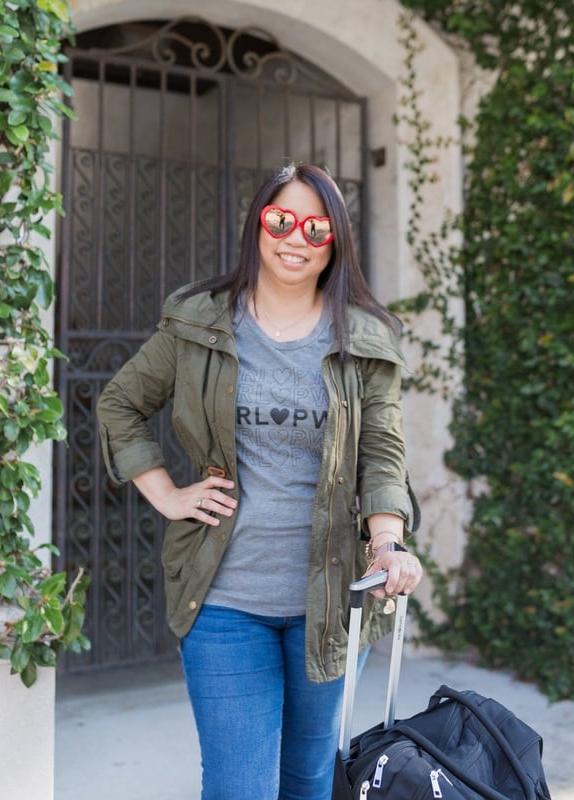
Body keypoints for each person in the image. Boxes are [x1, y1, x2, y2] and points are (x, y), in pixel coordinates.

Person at [97, 162, 422, 800]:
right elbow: (120, 403)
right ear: (258, 226)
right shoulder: (199, 321)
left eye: (315, 226)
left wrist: (388, 542)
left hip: (329, 600)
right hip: (223, 599)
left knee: (306, 780)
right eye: (280, 220)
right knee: (238, 786)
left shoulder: (366, 338)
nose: (294, 238)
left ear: (335, 241)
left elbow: (382, 449)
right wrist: (166, 492)